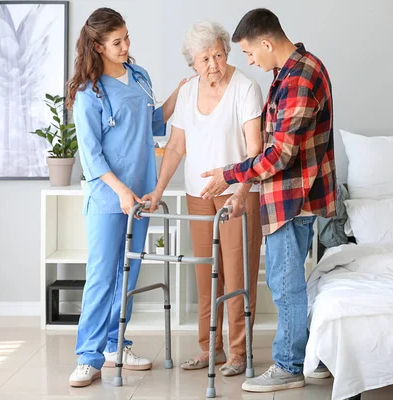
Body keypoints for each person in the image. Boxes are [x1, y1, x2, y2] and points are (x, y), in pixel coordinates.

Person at [200, 8, 337, 392]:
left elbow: (281, 154)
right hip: (293, 195)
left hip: (292, 199)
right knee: (290, 281)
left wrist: (230, 173)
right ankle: (314, 357)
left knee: (284, 283)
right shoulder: (294, 70)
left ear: (265, 41)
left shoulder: (298, 78)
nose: (249, 61)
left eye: (247, 53)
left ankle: (289, 367)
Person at [66, 7, 186, 387]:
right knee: (102, 274)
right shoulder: (89, 93)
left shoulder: (139, 76)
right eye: (117, 42)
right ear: (98, 46)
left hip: (142, 192)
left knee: (128, 272)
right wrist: (120, 191)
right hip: (108, 195)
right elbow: (91, 153)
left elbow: (155, 122)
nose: (125, 46)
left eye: (127, 38)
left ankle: (117, 345)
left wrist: (181, 93)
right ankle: (88, 356)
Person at [142, 21, 263, 377]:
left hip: (236, 195)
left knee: (238, 276)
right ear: (192, 63)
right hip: (197, 196)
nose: (213, 64)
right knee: (206, 276)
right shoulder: (188, 91)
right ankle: (209, 348)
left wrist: (240, 192)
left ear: (227, 52)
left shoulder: (246, 89)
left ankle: (240, 353)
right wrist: (159, 190)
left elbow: (255, 150)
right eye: (204, 58)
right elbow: (176, 146)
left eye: (218, 55)